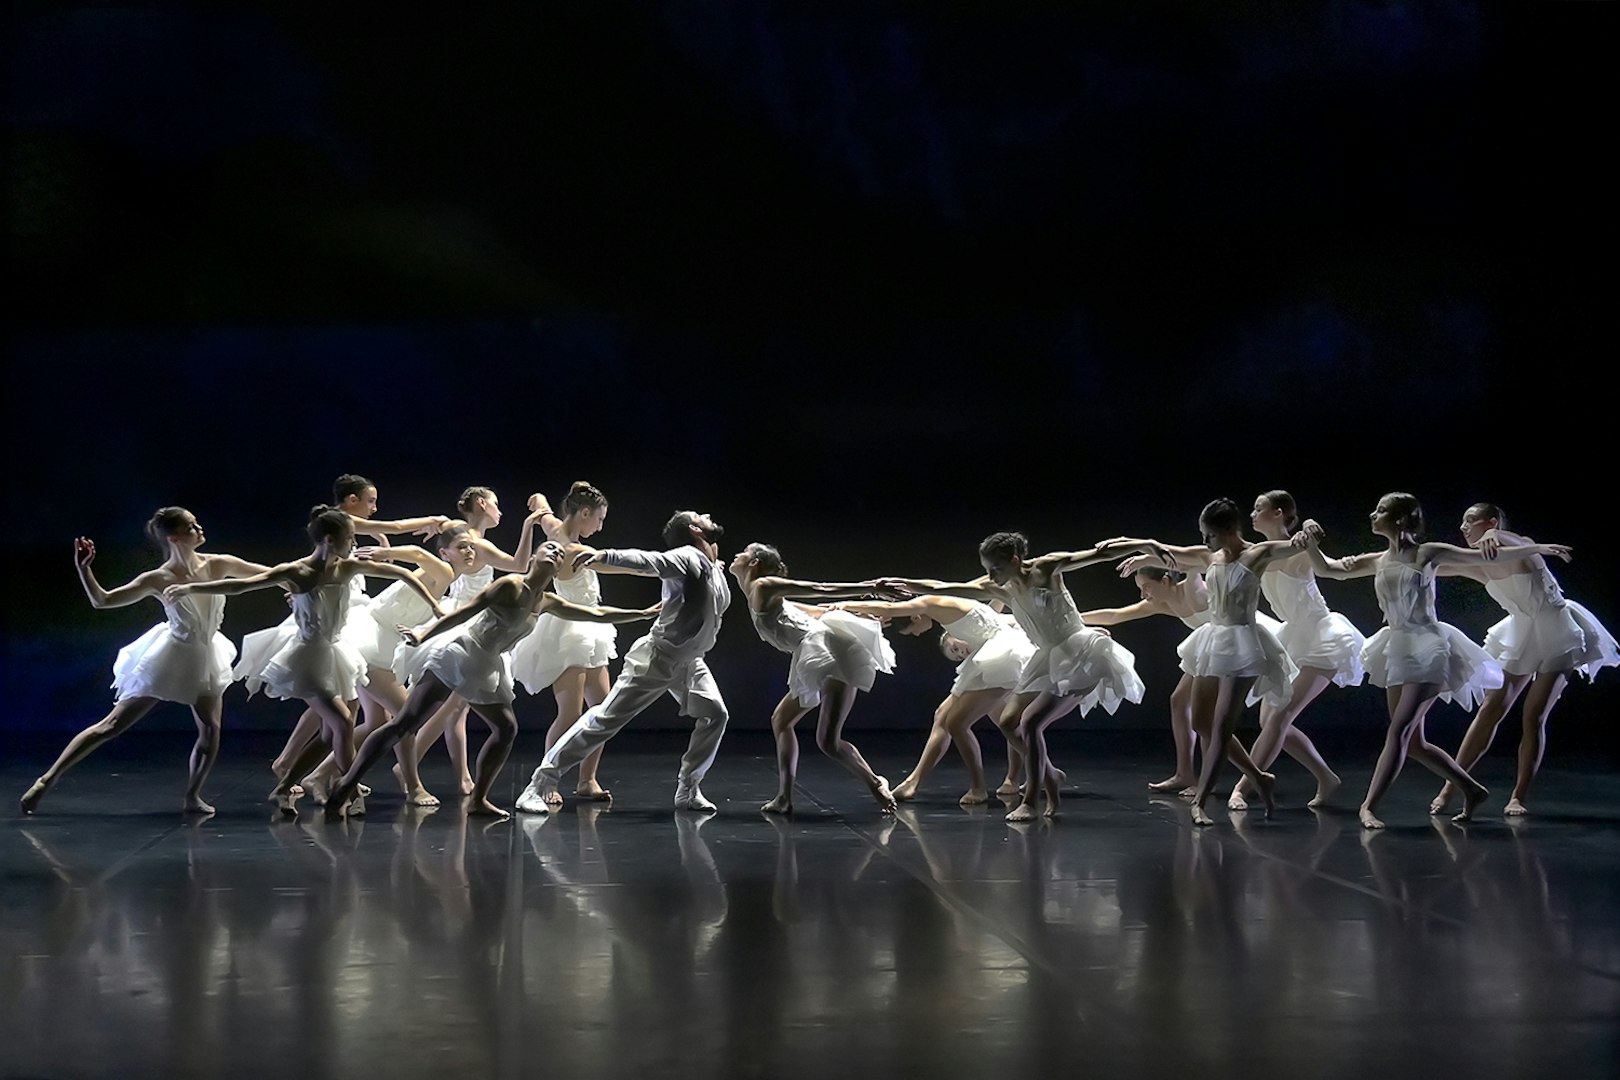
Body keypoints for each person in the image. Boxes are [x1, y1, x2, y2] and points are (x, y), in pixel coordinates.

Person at [324, 542, 658, 819]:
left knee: (506, 728)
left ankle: (480, 799)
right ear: (535, 557)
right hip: (461, 653)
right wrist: (425, 632)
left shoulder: (546, 601)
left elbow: (596, 614)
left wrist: (641, 614)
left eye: (559, 554)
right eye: (549, 548)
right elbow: (464, 611)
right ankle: (346, 783)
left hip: (487, 665)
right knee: (406, 722)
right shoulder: (509, 585)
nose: (555, 553)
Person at [1299, 493, 1570, 828]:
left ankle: (1368, 806)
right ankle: (1471, 789)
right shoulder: (1378, 559)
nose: (1372, 514)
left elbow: (1483, 556)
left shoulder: (1429, 552)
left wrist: (1537, 548)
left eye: (1380, 510)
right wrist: (1308, 541)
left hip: (1429, 646)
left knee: (1398, 730)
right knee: (1413, 742)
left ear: (1400, 520)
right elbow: (1329, 569)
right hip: (1397, 646)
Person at [174, 505, 441, 811]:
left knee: (329, 735)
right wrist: (192, 587)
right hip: (307, 657)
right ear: (329, 540)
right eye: (349, 539)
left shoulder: (346, 568)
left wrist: (434, 606)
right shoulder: (297, 572)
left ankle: (285, 787)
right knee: (342, 723)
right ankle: (348, 792)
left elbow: (399, 572)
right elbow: (240, 585)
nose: (353, 545)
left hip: (337, 652)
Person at [878, 534, 1145, 821]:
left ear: (1015, 560)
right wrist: (903, 584)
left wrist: (1149, 545)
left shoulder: (1045, 568)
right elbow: (943, 587)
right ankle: (1048, 776)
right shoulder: (1002, 588)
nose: (991, 575)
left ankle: (1031, 798)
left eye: (996, 568)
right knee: (1008, 721)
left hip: (1076, 650)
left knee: (1029, 722)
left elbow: (1098, 554)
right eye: (988, 569)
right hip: (1046, 656)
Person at [21, 508, 269, 814]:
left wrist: (311, 573)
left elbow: (270, 573)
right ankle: (47, 780)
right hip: (171, 656)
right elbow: (103, 601)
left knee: (210, 729)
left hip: (207, 654)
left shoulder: (219, 564)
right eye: (192, 526)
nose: (200, 528)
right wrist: (84, 569)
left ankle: (192, 796)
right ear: (175, 537)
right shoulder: (158, 578)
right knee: (111, 725)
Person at [1098, 499, 1308, 825]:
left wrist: (1308, 531)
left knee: (1222, 728)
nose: (1205, 540)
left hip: (1244, 643)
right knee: (1202, 723)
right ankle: (1259, 776)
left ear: (1225, 531)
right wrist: (1136, 547)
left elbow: (1295, 546)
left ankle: (1201, 802)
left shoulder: (1258, 554)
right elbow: (1168, 550)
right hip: (1213, 642)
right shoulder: (1207, 556)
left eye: (1208, 534)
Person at [515, 510, 733, 814]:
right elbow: (647, 562)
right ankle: (539, 784)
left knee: (715, 714)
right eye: (700, 516)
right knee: (604, 720)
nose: (709, 514)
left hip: (690, 661)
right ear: (695, 530)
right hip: (658, 658)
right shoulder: (686, 556)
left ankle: (688, 788)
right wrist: (603, 555)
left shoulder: (710, 564)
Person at [1427, 502, 1617, 816]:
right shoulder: (1480, 562)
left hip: (1556, 630)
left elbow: (1521, 543)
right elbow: (1435, 564)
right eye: (1462, 521)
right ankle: (1452, 787)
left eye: (1471, 521)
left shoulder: (1524, 546)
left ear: (1491, 523)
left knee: (1533, 716)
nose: (1463, 527)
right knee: (1490, 710)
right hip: (1520, 632)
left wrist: (1499, 535)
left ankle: (1518, 796)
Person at [731, 542, 900, 814]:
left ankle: (872, 783)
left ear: (754, 563)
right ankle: (787, 798)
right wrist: (862, 614)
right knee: (797, 728)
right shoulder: (765, 595)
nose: (736, 554)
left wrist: (871, 588)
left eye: (744, 552)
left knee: (818, 737)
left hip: (827, 649)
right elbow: (821, 609)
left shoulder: (764, 586)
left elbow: (820, 588)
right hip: (822, 650)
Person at [1223, 491, 1363, 810]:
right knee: (1270, 720)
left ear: (1280, 512)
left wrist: (1312, 534)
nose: (1253, 514)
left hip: (1321, 635)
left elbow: (1327, 569)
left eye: (1260, 508)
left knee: (1280, 717)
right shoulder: (1259, 552)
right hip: (1290, 637)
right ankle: (1326, 777)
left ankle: (1244, 788)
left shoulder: (1299, 548)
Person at [829, 593, 1035, 806]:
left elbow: (890, 608)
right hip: (990, 655)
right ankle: (913, 782)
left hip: (1004, 655)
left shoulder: (931, 603)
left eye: (912, 631)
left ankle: (987, 785)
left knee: (959, 723)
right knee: (943, 715)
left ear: (915, 617)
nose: (917, 635)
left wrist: (845, 604)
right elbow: (895, 603)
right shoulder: (939, 605)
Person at [509, 482, 618, 805]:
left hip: (593, 632)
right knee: (571, 713)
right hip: (568, 633)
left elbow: (545, 515)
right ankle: (547, 779)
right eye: (598, 519)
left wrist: (539, 501)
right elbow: (621, 565)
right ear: (584, 513)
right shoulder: (574, 552)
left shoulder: (558, 529)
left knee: (604, 710)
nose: (600, 526)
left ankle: (588, 779)